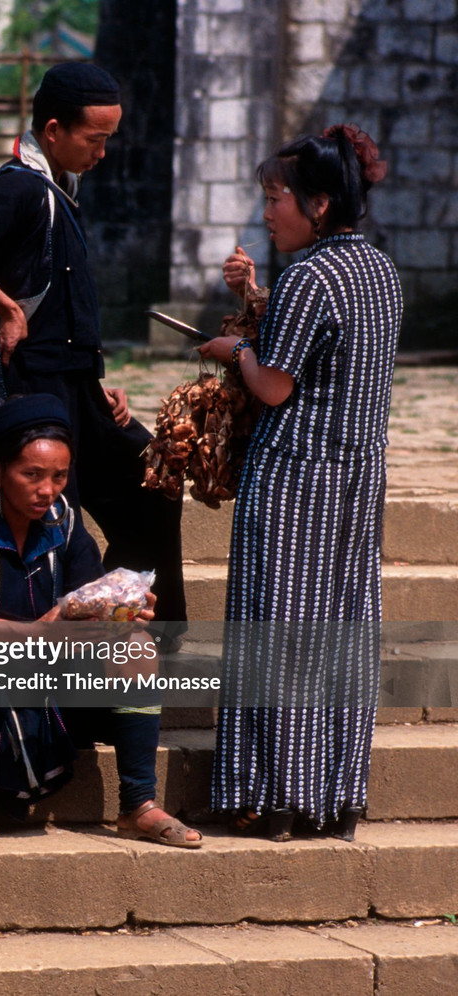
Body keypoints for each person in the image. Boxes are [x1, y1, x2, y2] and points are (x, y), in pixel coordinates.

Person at [0, 61, 186, 625]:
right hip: (35, 392)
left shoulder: (59, 190)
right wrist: (6, 307)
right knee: (55, 516)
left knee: (154, 485)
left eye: (108, 139)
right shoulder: (21, 187)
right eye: (95, 139)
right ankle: (67, 655)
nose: (102, 153)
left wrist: (96, 383)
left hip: (77, 386)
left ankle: (138, 629)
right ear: (52, 131)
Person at [197, 125, 401, 841]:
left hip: (296, 479)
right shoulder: (379, 271)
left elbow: (275, 386)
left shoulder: (311, 276)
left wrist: (234, 350)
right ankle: (336, 797)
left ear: (318, 203)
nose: (268, 212)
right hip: (356, 479)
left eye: (276, 197)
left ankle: (276, 798)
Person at [0, 393, 202, 848]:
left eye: (59, 477)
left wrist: (121, 610)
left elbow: (86, 604)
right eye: (31, 475)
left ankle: (138, 803)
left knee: (135, 644)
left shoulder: (66, 524)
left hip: (52, 677)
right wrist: (40, 632)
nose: (47, 490)